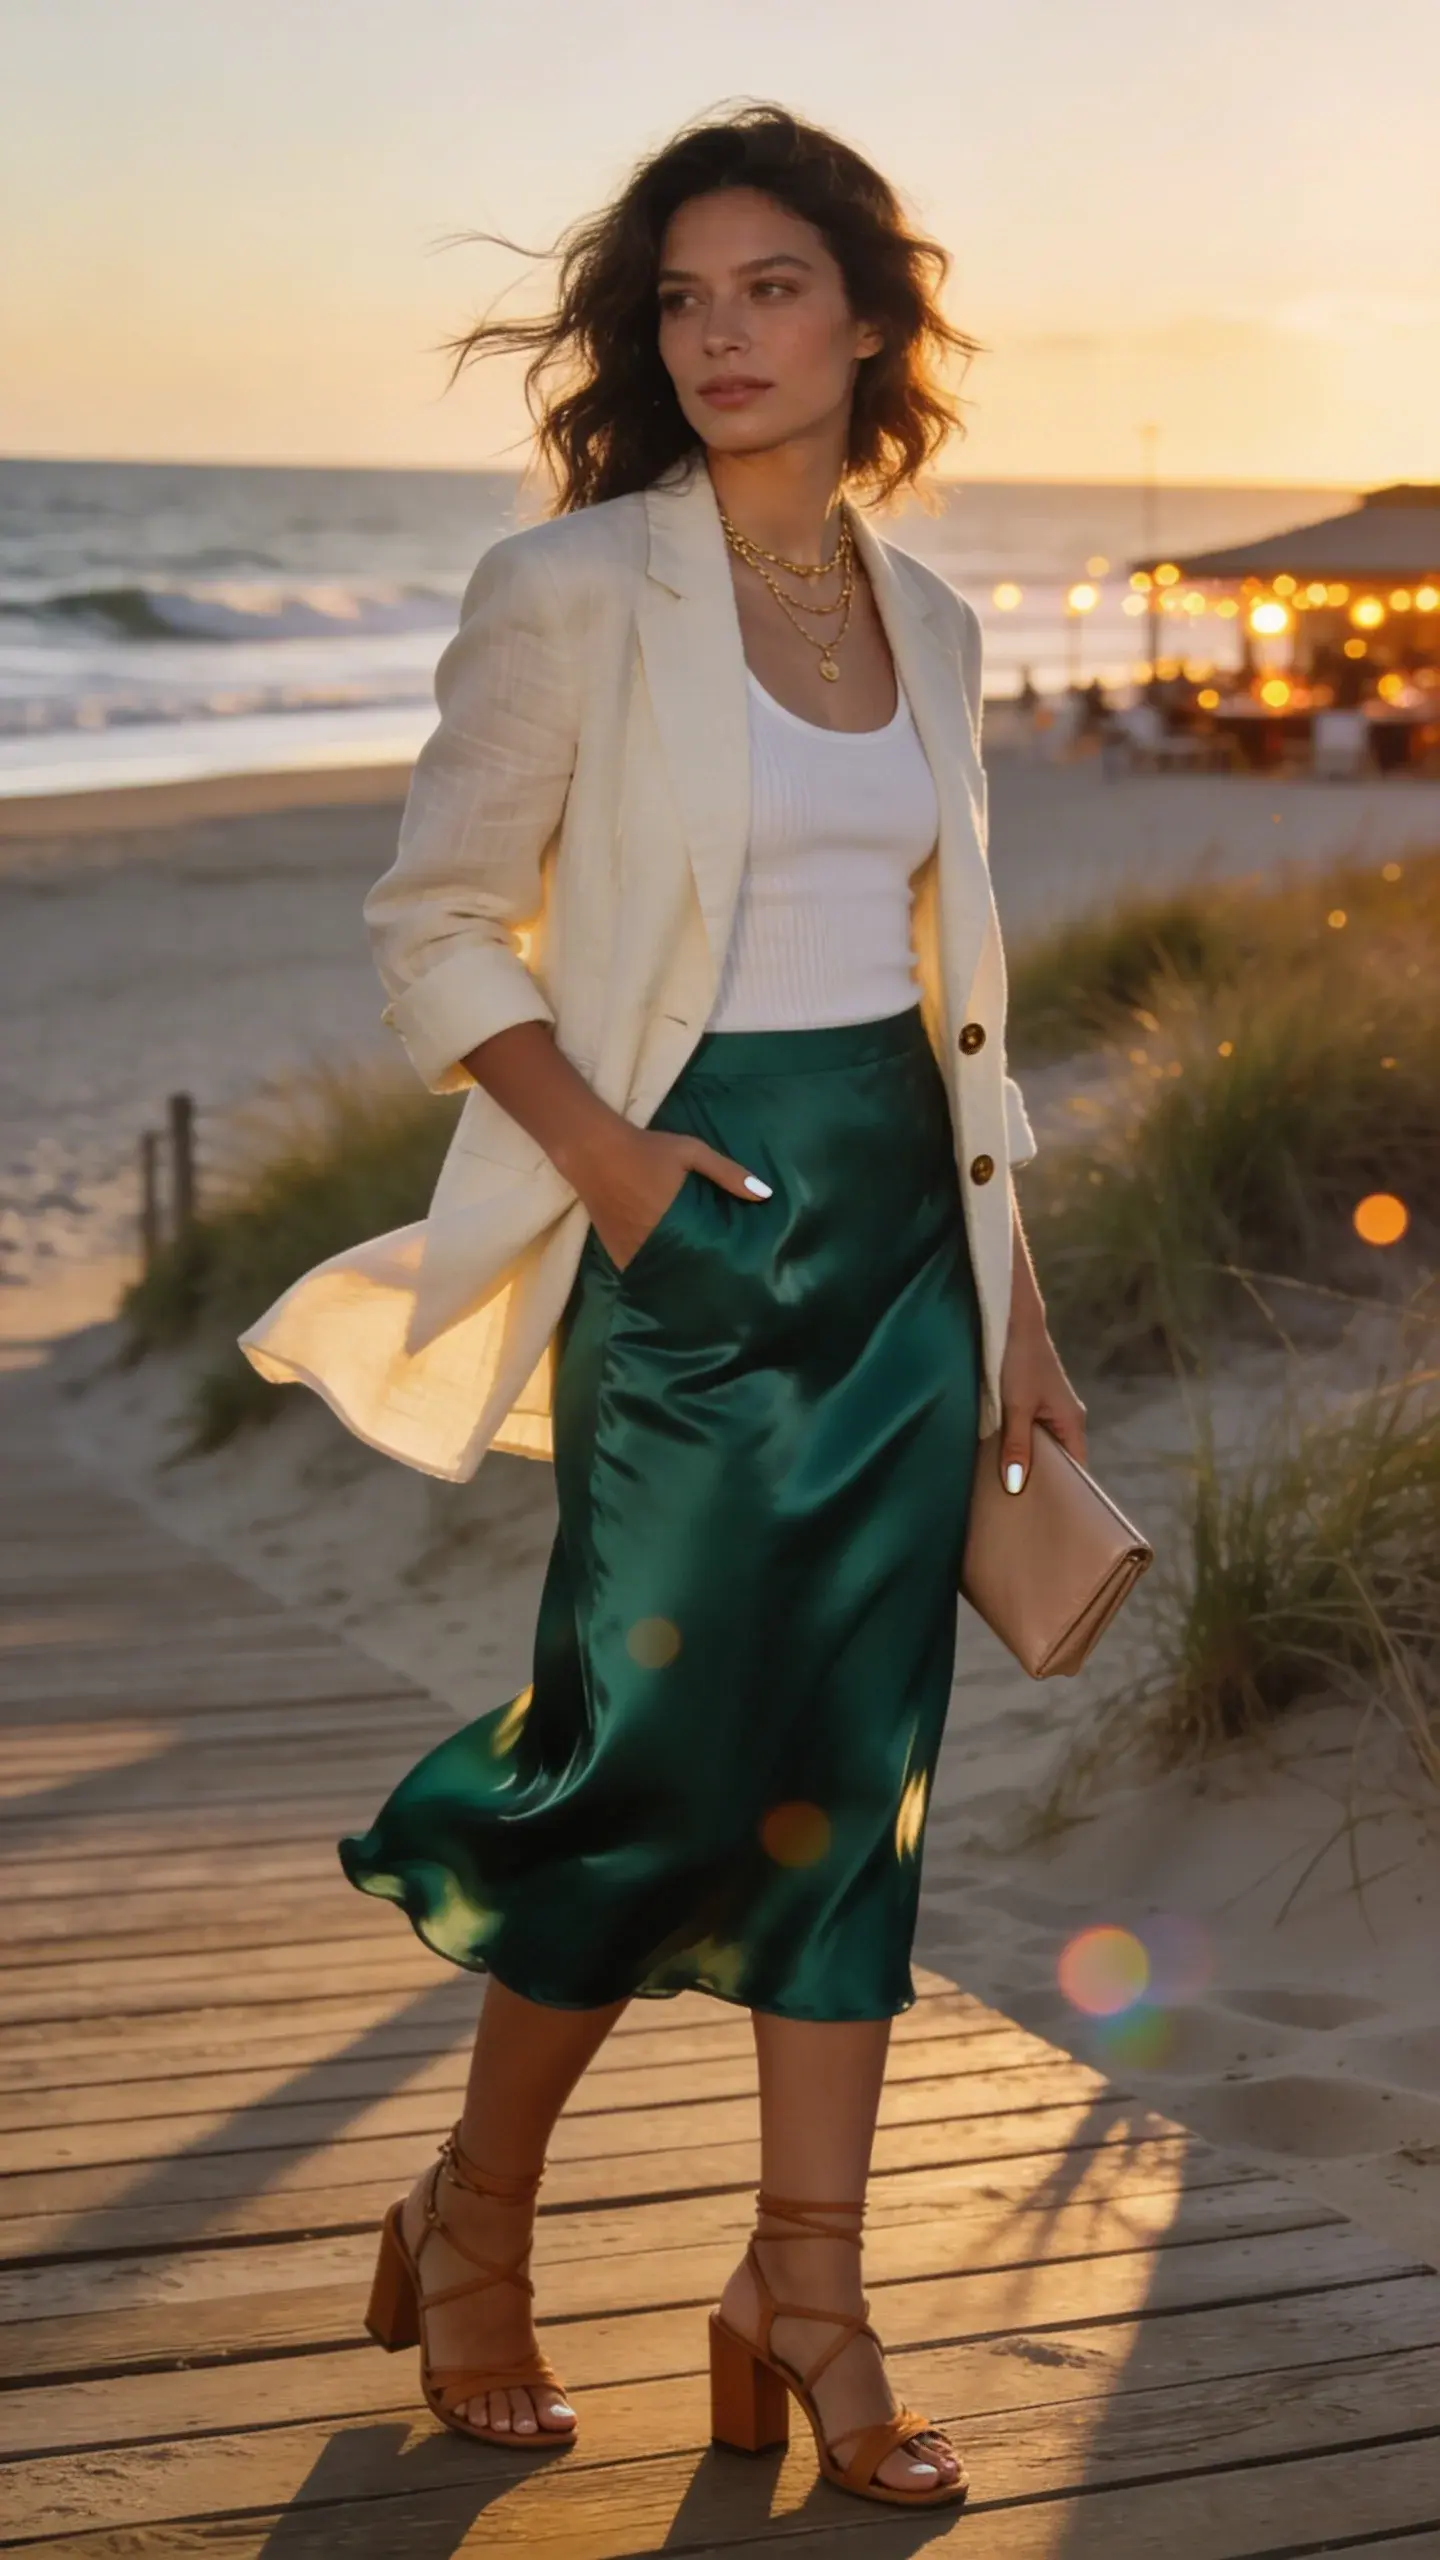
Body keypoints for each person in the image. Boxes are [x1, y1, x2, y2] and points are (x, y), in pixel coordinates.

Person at [242, 104, 1085, 2512]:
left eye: (770, 290)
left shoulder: (930, 616)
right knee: (644, 1766)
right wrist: (618, 1178)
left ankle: (802, 2286)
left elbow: (962, 1007)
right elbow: (434, 921)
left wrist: (1020, 1301)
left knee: (862, 1787)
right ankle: (472, 2223)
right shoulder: (573, 586)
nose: (719, 335)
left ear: (865, 322)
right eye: (684, 298)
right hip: (694, 1249)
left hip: (911, 1257)